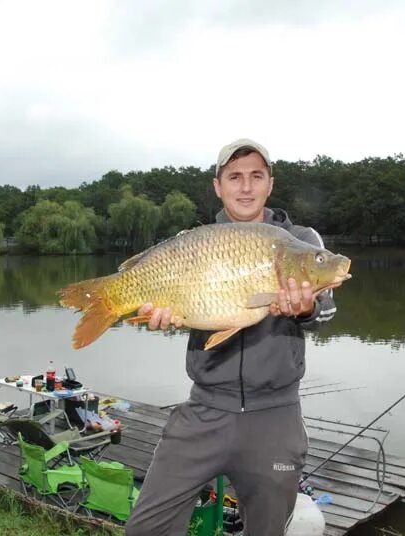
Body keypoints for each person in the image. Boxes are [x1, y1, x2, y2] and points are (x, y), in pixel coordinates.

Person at [124, 139, 339, 536]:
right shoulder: (199, 241)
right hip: (204, 409)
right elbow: (183, 305)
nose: (245, 187)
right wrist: (165, 316)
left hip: (275, 417)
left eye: (256, 176)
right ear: (218, 186)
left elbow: (325, 311)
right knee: (145, 529)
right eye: (235, 177)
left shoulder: (300, 240)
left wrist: (305, 307)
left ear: (270, 184)